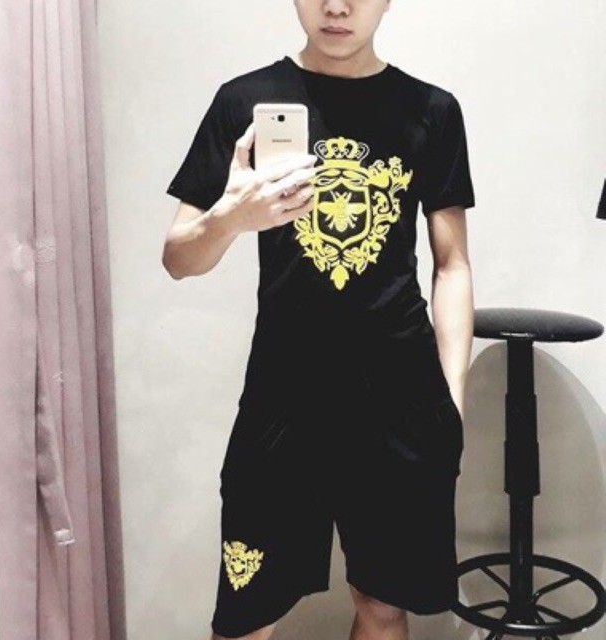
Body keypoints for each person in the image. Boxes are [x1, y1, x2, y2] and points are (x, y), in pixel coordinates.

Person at [163, 1, 475, 638]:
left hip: (401, 394)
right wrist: (231, 218)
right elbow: (178, 259)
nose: (336, 6)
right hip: (285, 390)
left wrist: (452, 401)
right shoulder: (245, 101)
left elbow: (452, 266)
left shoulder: (432, 110)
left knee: (383, 607)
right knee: (247, 615)